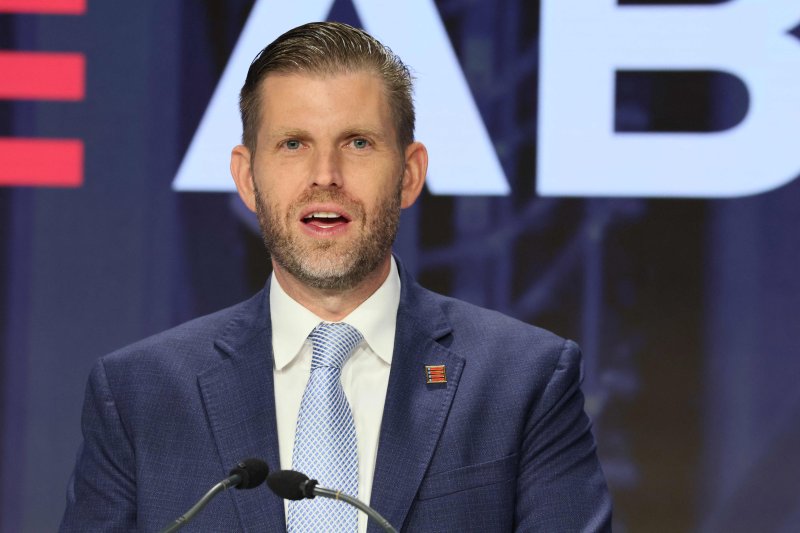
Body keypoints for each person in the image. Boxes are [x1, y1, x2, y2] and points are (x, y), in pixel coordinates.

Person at [60, 21, 611, 532]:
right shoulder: (138, 395)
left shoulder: (526, 381)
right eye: (293, 144)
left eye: (358, 143)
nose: (325, 176)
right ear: (247, 178)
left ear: (409, 174)